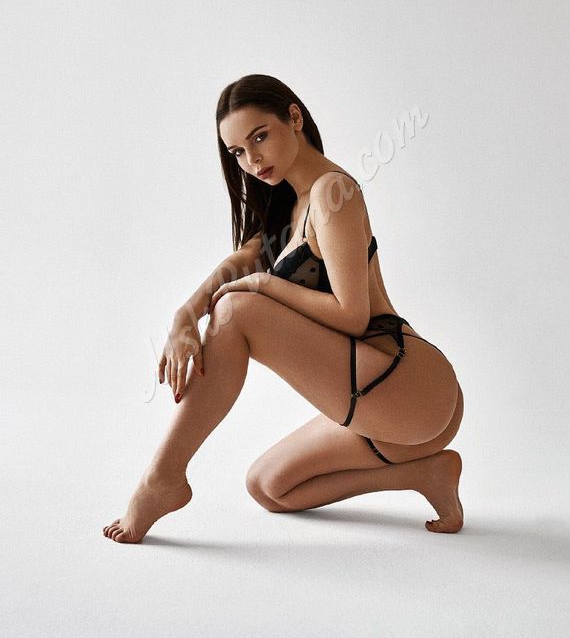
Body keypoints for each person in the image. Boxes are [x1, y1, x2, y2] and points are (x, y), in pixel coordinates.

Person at [103, 73, 464, 543]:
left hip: (406, 384)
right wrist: (184, 315)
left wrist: (263, 285)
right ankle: (426, 474)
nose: (252, 160)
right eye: (237, 152)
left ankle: (162, 478)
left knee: (237, 310)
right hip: (387, 413)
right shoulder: (292, 205)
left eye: (260, 137)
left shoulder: (333, 193)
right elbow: (239, 263)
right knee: (269, 487)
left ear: (294, 118)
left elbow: (352, 315)